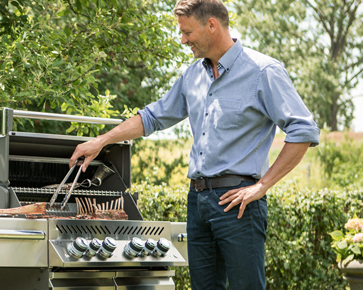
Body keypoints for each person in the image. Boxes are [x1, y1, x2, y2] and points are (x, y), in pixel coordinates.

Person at [68, 0, 320, 289]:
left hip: (238, 202)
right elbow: (153, 117)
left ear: (211, 25)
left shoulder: (263, 71)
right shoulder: (193, 76)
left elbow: (303, 130)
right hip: (198, 201)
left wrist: (261, 186)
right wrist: (101, 141)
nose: (183, 39)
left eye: (187, 32)